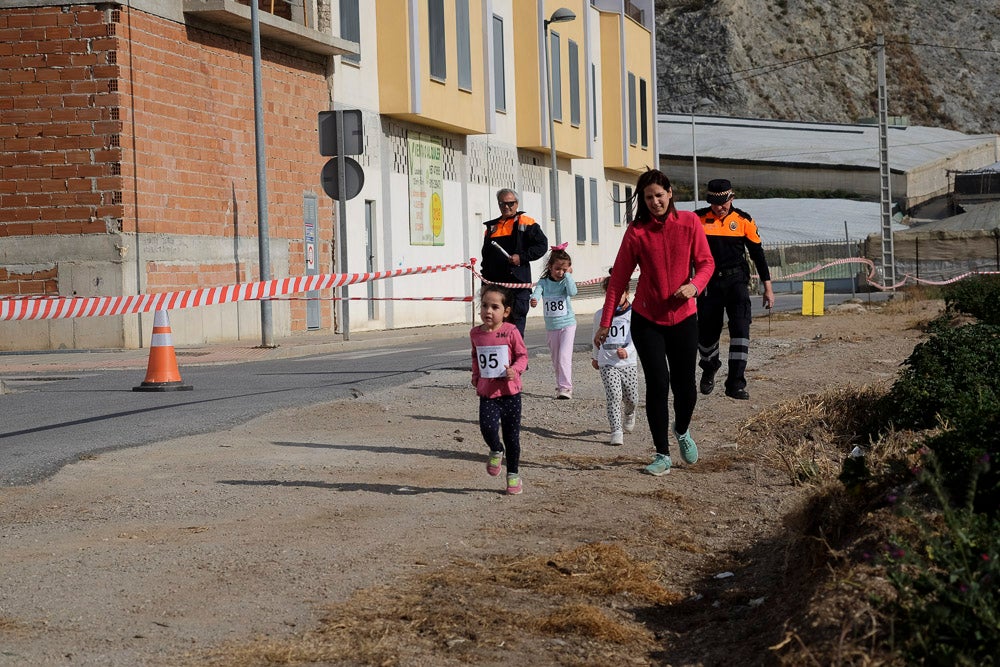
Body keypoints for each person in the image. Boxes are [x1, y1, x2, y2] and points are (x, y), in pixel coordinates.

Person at [594, 169, 714, 476]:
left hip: (684, 316)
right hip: (647, 318)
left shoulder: (689, 223)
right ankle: (662, 454)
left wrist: (695, 286)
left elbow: (706, 263)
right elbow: (619, 278)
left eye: (659, 195)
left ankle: (682, 430)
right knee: (658, 384)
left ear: (670, 193)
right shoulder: (637, 232)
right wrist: (606, 323)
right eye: (648, 198)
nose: (655, 202)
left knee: (685, 387)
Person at [694, 179, 775, 401]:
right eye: (714, 203)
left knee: (740, 329)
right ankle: (710, 366)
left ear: (731, 198)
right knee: (707, 334)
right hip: (708, 283)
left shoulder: (743, 220)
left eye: (723, 203)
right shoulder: (697, 219)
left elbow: (758, 254)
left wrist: (768, 288)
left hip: (736, 281)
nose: (719, 207)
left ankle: (735, 383)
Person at [470, 284, 529, 495]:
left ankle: (513, 474)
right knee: (487, 427)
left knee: (512, 436)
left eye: (494, 307)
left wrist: (515, 370)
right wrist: (475, 376)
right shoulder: (476, 334)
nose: (488, 311)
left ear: (506, 312)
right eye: (484, 305)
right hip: (488, 393)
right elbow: (476, 357)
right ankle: (496, 448)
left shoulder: (511, 332)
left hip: (510, 393)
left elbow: (523, 356)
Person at [480, 188, 549, 338]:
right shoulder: (492, 228)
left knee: (515, 332)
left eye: (510, 203)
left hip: (518, 287)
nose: (507, 207)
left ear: (517, 204)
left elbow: (542, 245)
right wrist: (484, 285)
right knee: (496, 330)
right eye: (502, 204)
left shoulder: (526, 222)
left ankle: (519, 362)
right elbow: (486, 259)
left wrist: (521, 257)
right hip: (496, 288)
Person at [591, 271, 638, 446]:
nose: (615, 297)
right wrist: (595, 357)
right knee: (613, 395)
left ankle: (630, 412)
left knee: (632, 398)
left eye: (620, 293)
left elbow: (637, 337)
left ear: (627, 293)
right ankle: (616, 431)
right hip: (607, 362)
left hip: (628, 362)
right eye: (610, 293)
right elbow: (595, 337)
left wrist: (629, 350)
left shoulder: (633, 314)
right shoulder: (600, 315)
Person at [530, 244, 577, 399]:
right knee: (556, 359)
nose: (560, 273)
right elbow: (537, 292)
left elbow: (573, 292)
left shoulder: (565, 281)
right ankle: (560, 386)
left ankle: (566, 388)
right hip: (552, 327)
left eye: (564, 269)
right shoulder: (544, 282)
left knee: (564, 356)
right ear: (550, 266)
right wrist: (534, 299)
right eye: (558, 269)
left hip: (568, 324)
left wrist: (569, 276)